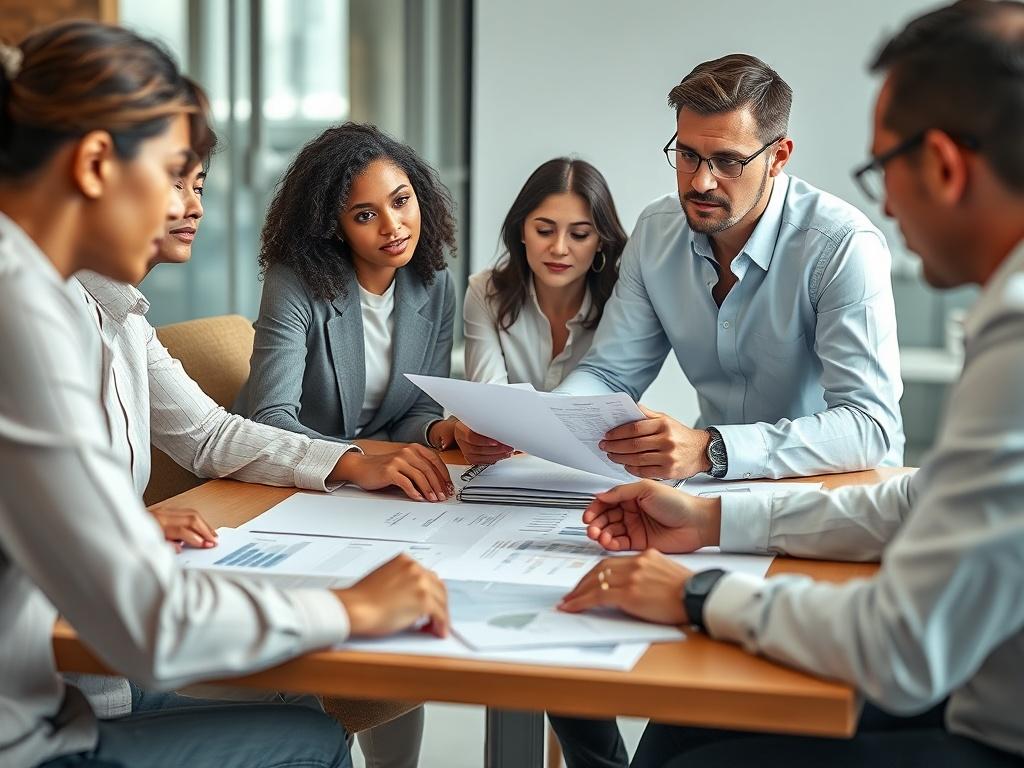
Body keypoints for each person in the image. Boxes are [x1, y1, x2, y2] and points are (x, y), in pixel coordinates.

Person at [560, 3, 1024, 765]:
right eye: (686, 154)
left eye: (883, 169)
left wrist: (698, 593)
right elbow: (922, 498)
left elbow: (901, 648)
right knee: (677, 735)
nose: (884, 204)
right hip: (946, 665)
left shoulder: (986, 315)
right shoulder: (657, 232)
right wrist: (709, 526)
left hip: (986, 724)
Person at [0, 21, 449, 768]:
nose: (188, 204)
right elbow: (149, 621)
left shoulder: (93, 300)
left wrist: (125, 528)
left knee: (300, 707)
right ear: (95, 164)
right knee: (309, 738)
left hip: (73, 683)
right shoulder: (24, 308)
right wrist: (349, 607)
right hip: (34, 725)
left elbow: (205, 436)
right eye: (174, 172)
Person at [545, 54, 904, 484]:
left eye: (728, 161)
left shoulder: (842, 246)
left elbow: (869, 426)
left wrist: (710, 448)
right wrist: (541, 421)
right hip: (716, 490)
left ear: (778, 157)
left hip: (835, 489)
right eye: (688, 155)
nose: (701, 182)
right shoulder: (657, 232)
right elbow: (610, 373)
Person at [234, 123, 460, 503]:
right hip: (286, 480)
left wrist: (442, 431)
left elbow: (415, 410)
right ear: (335, 227)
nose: (393, 226)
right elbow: (271, 421)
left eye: (401, 201)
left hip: (370, 486)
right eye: (365, 216)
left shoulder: (434, 283)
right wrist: (362, 460)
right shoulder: (294, 281)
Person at [457, 157, 627, 464]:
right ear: (522, 231)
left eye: (579, 235)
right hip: (502, 467)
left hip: (593, 469)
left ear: (600, 242)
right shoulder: (485, 292)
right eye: (545, 230)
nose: (559, 248)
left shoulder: (624, 300)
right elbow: (490, 406)